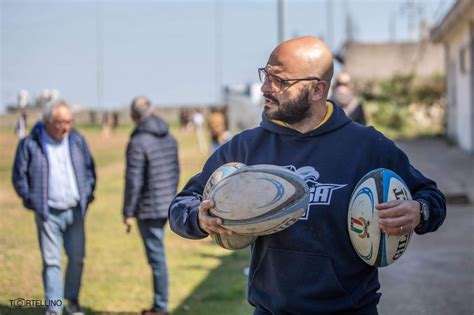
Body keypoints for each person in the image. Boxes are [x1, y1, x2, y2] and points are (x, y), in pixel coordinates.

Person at [168, 36, 446, 315]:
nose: (266, 87)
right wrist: (199, 218)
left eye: (280, 81)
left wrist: (418, 211)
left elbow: (431, 197)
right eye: (266, 75)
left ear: (316, 90)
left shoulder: (367, 146)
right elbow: (182, 206)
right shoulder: (246, 148)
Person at [12, 100, 96, 315]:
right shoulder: (31, 143)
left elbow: (89, 169)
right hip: (48, 212)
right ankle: (54, 308)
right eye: (60, 122)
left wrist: (87, 193)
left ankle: (72, 301)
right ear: (48, 122)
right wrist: (32, 201)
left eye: (69, 121)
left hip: (75, 210)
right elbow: (19, 177)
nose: (66, 127)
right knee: (51, 262)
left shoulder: (77, 139)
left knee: (77, 258)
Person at [123, 96, 179, 315]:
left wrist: (128, 211)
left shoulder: (137, 142)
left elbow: (133, 181)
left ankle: (160, 307)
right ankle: (160, 304)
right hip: (166, 204)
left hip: (148, 208)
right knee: (158, 257)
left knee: (157, 260)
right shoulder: (169, 136)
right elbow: (175, 170)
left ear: (133, 116)